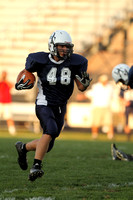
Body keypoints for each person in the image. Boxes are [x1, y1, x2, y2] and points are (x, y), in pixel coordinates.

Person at [15, 30, 92, 181]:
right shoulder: (38, 59)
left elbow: (81, 87)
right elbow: (26, 73)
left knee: (48, 145)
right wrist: (20, 83)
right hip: (44, 102)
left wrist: (84, 85)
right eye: (61, 46)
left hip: (61, 105)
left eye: (67, 47)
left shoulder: (76, 62)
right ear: (52, 45)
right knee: (50, 130)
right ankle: (36, 166)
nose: (64, 50)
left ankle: (23, 148)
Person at [77, 74, 114, 139]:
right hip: (97, 107)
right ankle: (95, 135)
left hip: (107, 107)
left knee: (109, 122)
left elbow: (113, 97)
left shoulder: (110, 87)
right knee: (96, 122)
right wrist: (82, 96)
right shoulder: (96, 87)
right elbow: (89, 94)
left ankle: (110, 135)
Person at [0, 71, 16, 135]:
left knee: (9, 117)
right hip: (0, 102)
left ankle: (12, 131)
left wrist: (5, 80)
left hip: (7, 102)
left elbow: (11, 85)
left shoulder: (7, 82)